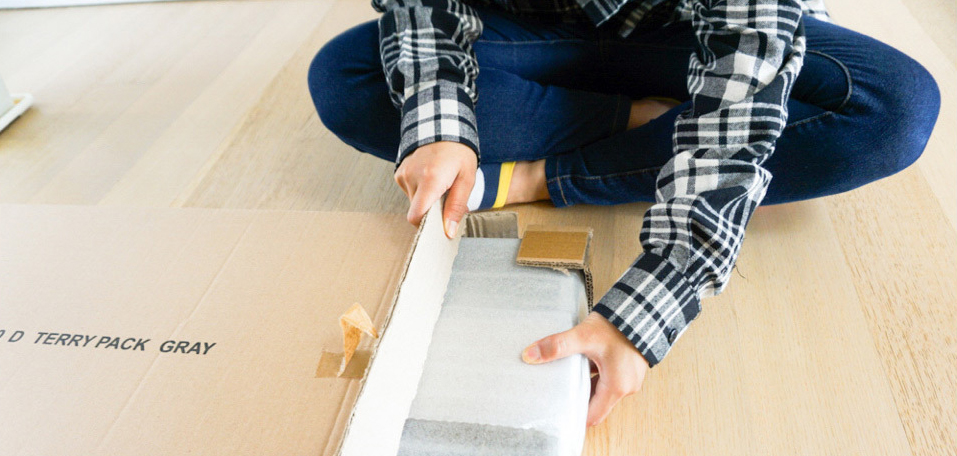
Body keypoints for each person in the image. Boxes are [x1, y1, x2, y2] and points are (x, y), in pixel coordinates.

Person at [308, 0, 940, 427]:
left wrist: (650, 309)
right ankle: (642, 122)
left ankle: (540, 176)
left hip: (688, 29)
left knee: (893, 108)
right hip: (523, 26)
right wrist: (440, 118)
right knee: (346, 75)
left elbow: (748, 63)